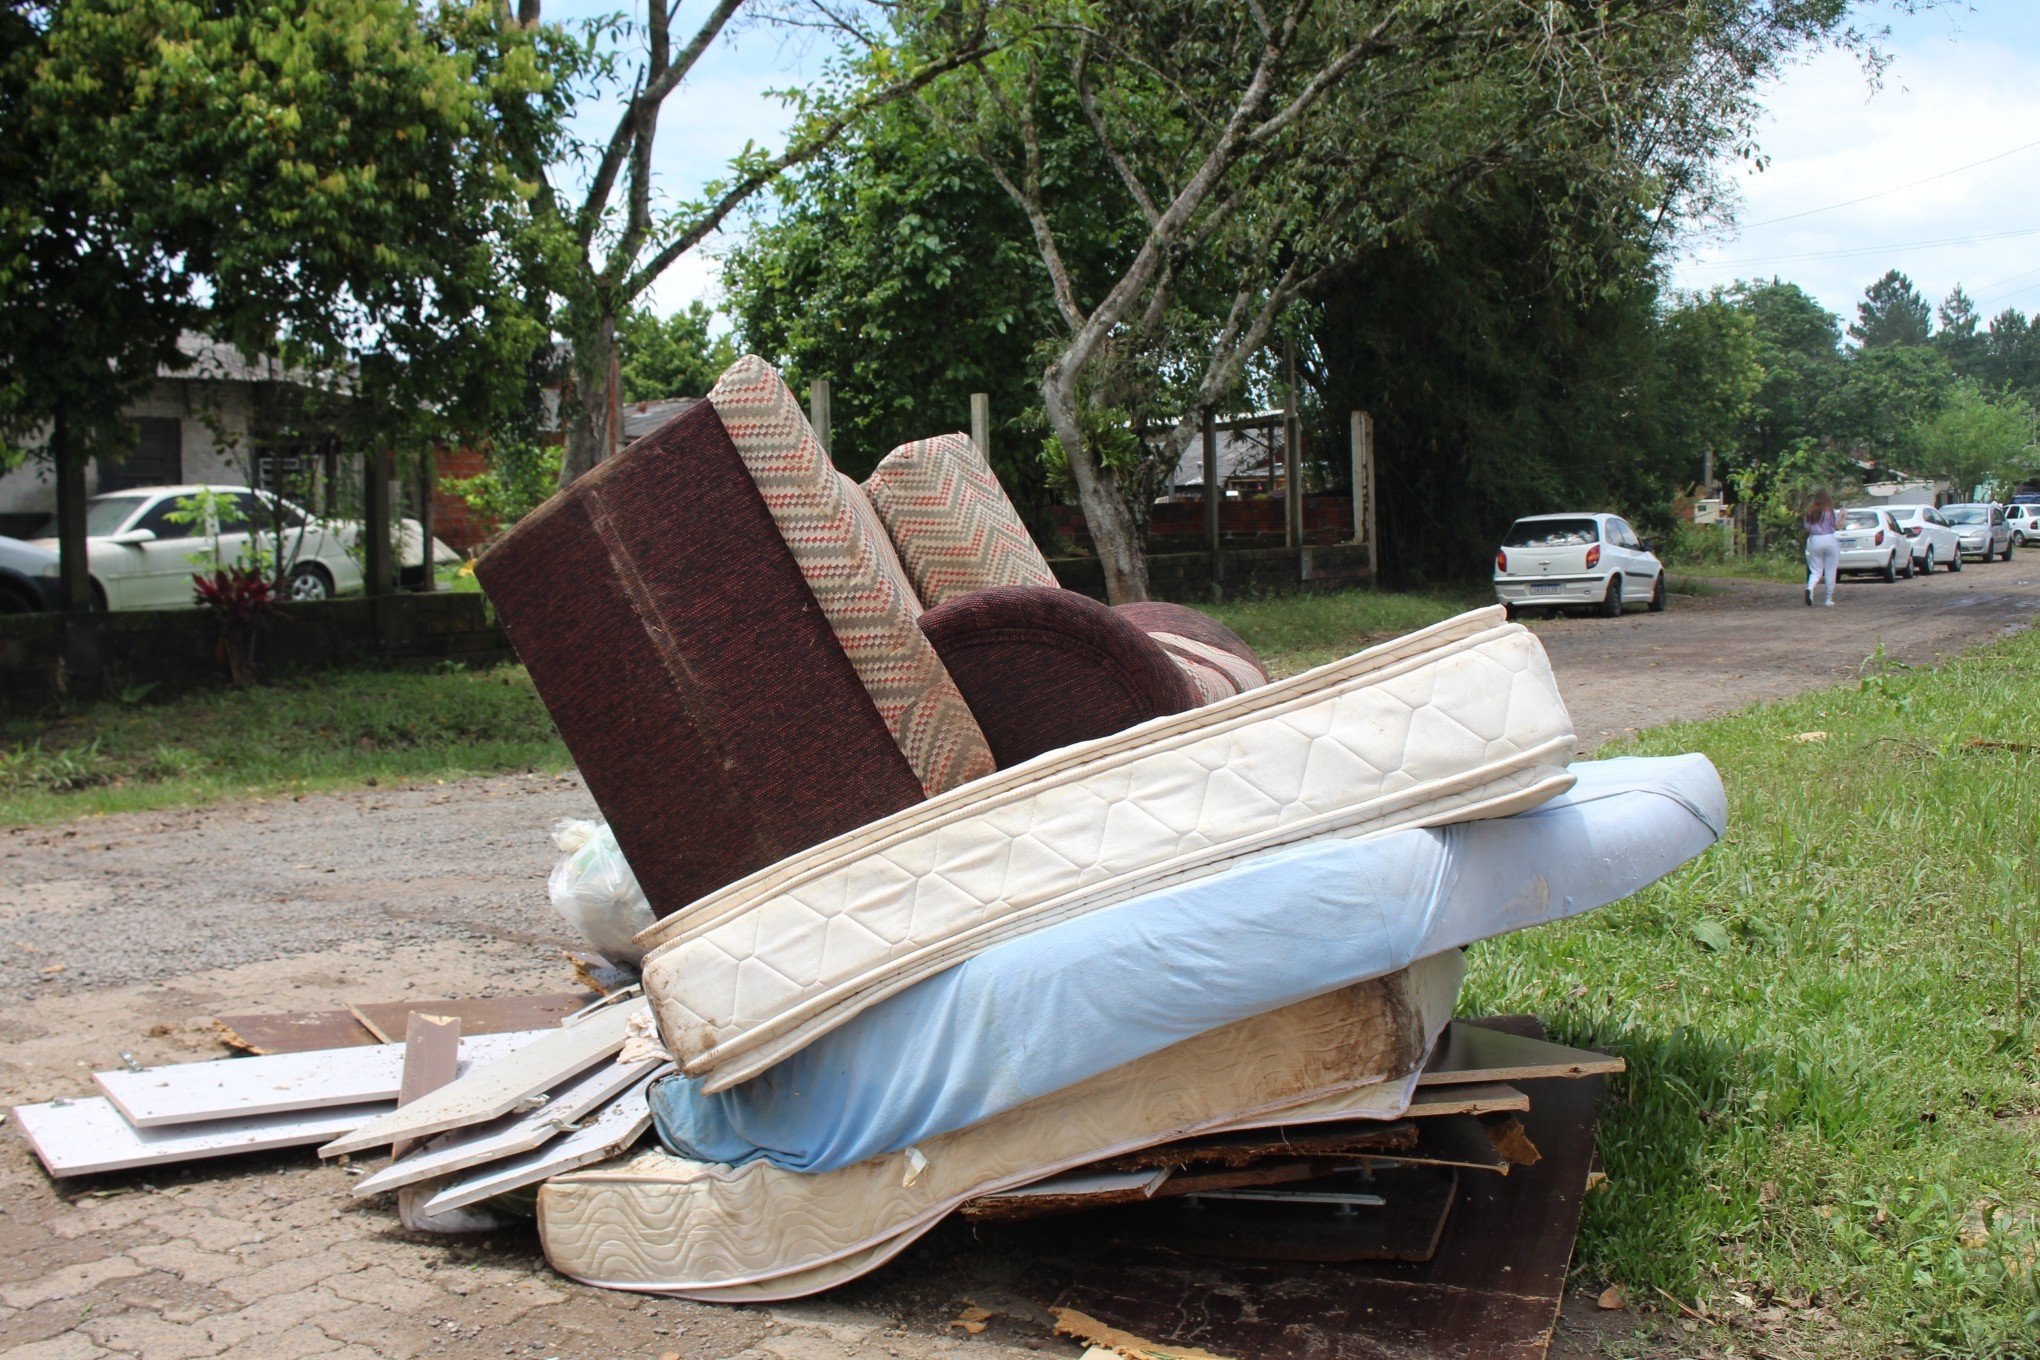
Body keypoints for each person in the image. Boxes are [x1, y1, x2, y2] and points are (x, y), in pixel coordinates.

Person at [1803, 489, 1839, 607]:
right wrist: (1844, 515)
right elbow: (1837, 526)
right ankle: (1828, 599)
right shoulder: (1830, 511)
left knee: (1816, 570)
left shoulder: (1809, 512)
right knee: (1830, 569)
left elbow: (1807, 529)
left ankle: (1810, 588)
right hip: (1829, 539)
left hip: (1814, 540)